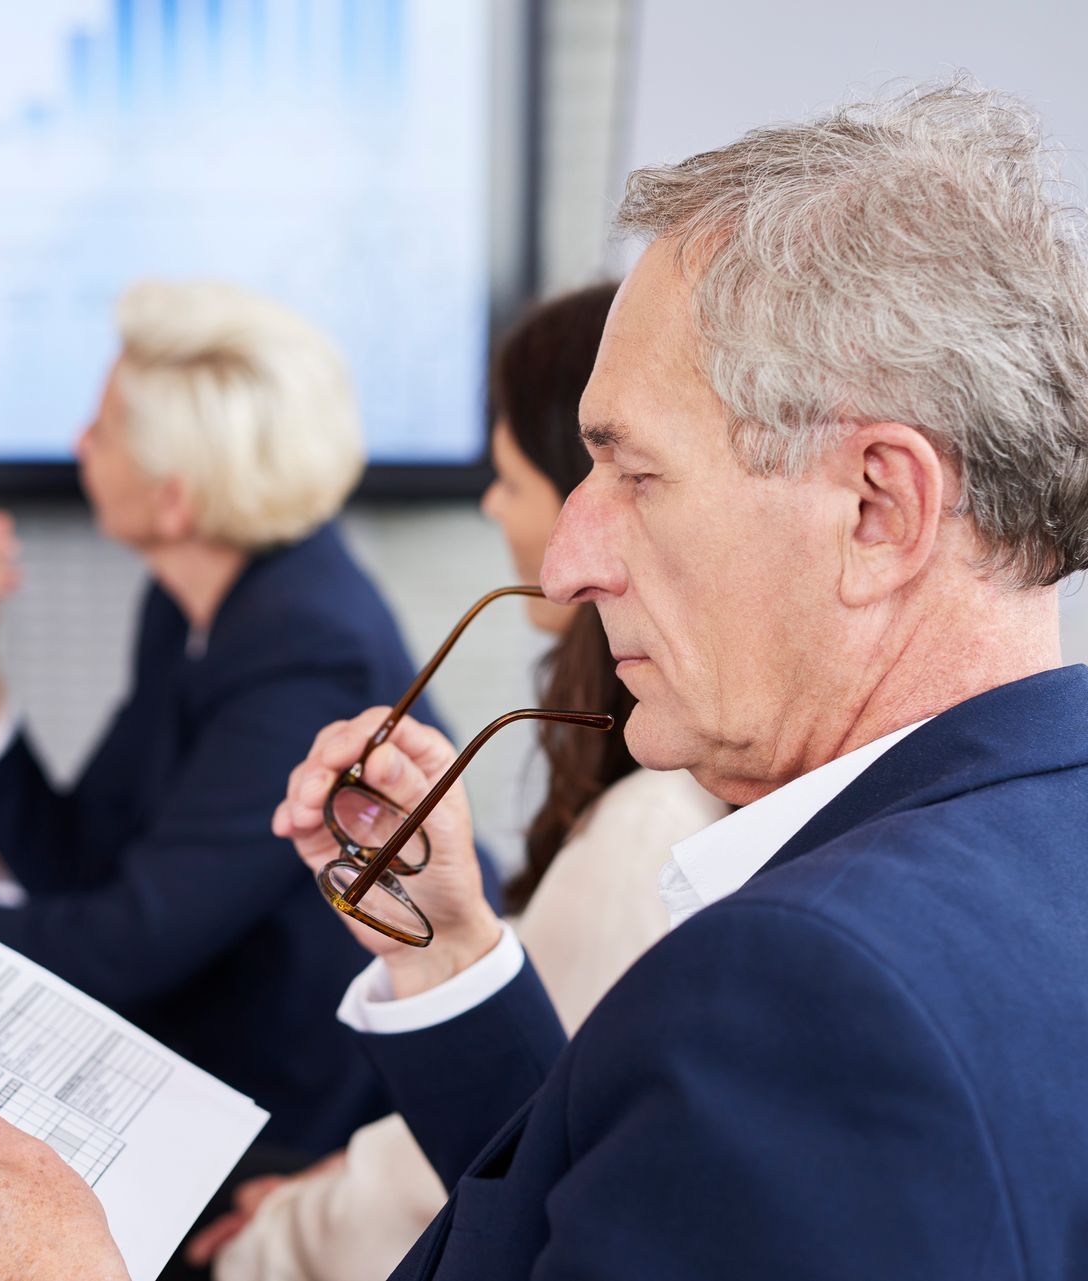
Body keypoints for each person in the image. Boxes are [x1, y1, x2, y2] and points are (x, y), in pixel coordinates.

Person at [0, 80, 1088, 1280]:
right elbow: (641, 1216)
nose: (571, 557)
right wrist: (454, 960)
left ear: (881, 509)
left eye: (634, 472)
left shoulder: (818, 991)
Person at [194, 284, 729, 1280]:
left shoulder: (648, 827)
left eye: (509, 473)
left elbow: (526, 1177)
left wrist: (283, 1228)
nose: (554, 553)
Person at [0, 279, 463, 1160]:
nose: (77, 443)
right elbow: (83, 862)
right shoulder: (197, 602)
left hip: (294, 1115)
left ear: (175, 500)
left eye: (105, 429)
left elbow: (126, 945)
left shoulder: (307, 652)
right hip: (198, 1044)